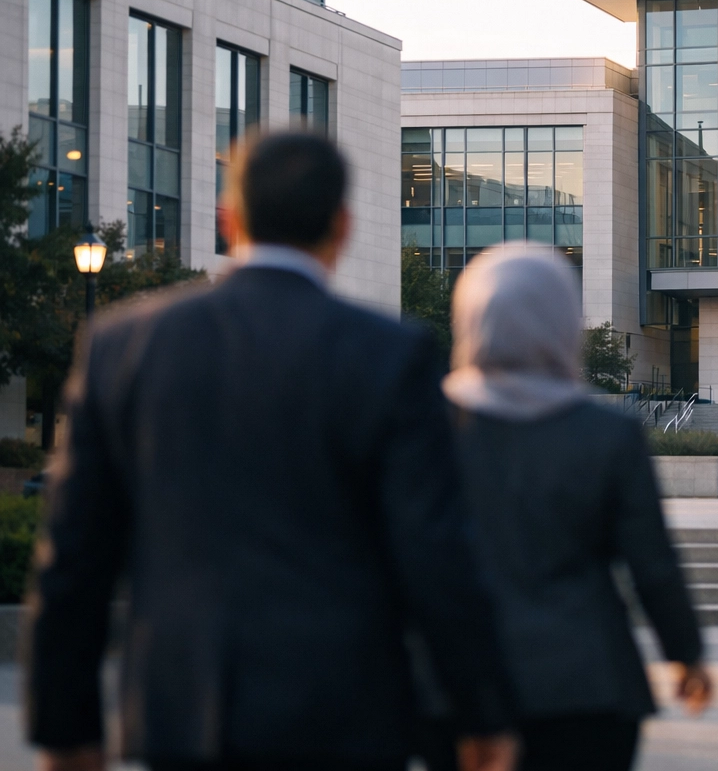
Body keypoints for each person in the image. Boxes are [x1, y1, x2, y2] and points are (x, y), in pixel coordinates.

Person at [25, 133, 516, 771]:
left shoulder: (123, 345)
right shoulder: (391, 355)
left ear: (230, 220)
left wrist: (64, 730)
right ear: (342, 226)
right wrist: (478, 712)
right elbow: (436, 553)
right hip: (345, 711)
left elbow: (74, 553)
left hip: (184, 709)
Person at [441, 244, 712, 771]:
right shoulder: (606, 436)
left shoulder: (428, 431)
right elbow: (651, 562)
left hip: (460, 690)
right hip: (589, 683)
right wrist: (686, 654)